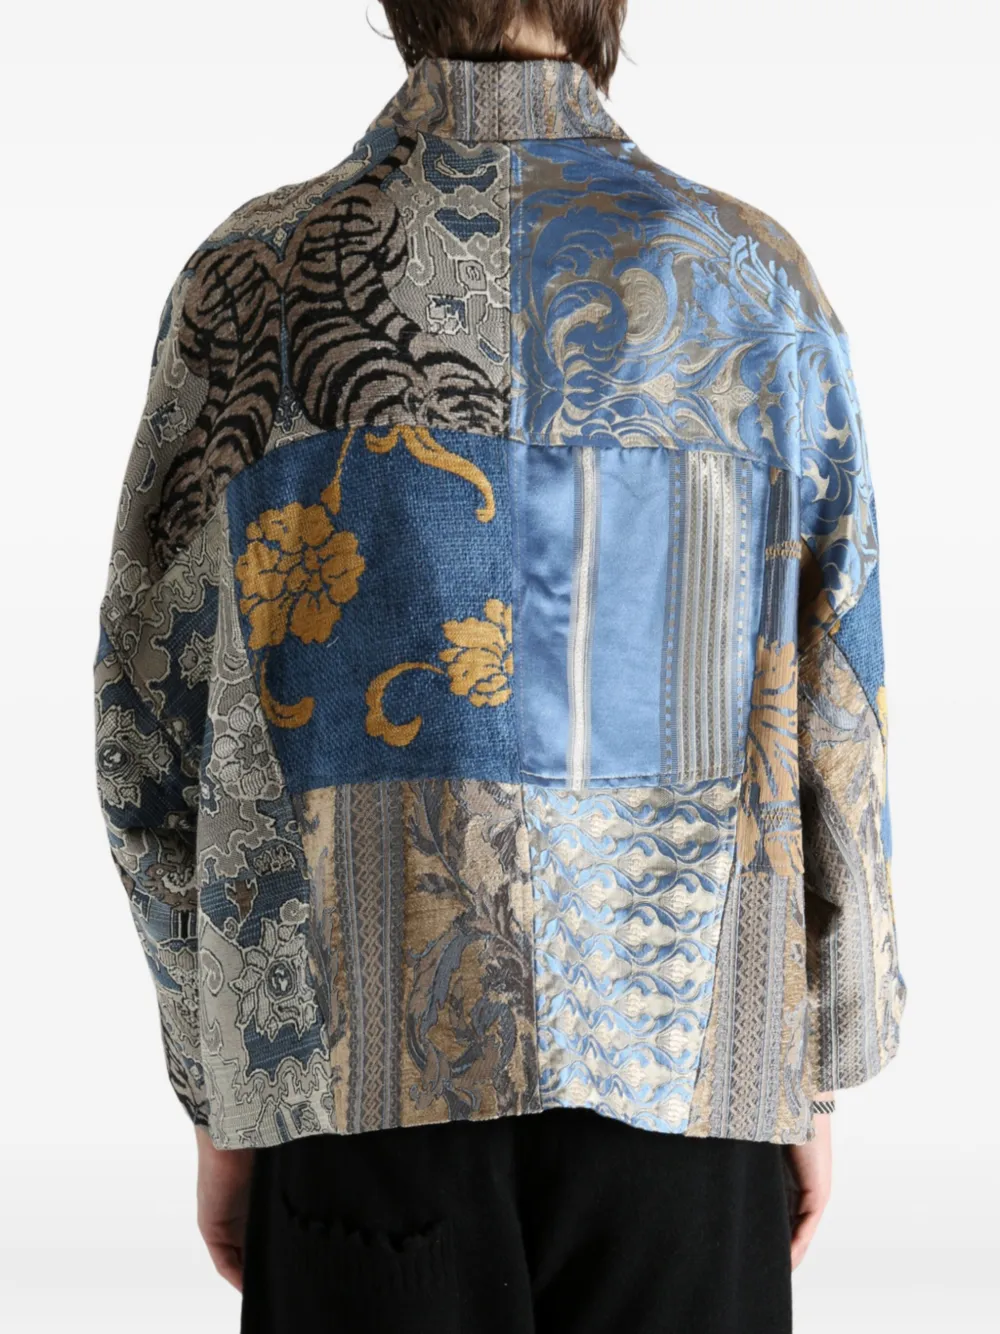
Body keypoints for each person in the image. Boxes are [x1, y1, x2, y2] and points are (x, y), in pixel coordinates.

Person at [92, 2, 905, 1330]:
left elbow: (146, 723)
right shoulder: (753, 288)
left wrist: (219, 1077)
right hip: (688, 1082)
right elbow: (841, 720)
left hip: (350, 1088)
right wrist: (813, 1065)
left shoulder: (252, 284)